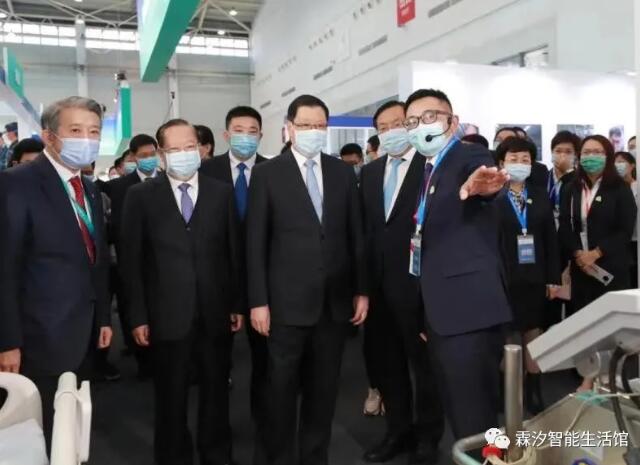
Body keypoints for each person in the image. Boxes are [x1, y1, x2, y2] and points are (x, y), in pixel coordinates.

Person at [247, 94, 368, 465]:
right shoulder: (267, 174)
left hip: (333, 305)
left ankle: (315, 457)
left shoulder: (342, 172)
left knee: (323, 393)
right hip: (284, 306)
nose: (313, 131)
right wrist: (258, 300)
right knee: (280, 391)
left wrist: (361, 290)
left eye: (319, 126)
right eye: (305, 125)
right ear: (289, 128)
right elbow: (255, 242)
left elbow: (356, 235)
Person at [121, 118, 242, 465]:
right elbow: (131, 263)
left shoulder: (221, 192)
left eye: (190, 146)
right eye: (174, 149)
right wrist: (137, 316)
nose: (184, 154)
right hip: (166, 316)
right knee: (170, 397)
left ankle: (217, 455)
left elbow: (232, 253)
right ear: (161, 154)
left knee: (216, 393)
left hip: (215, 313)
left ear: (201, 148)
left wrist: (236, 303)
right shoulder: (140, 196)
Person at [0, 96, 112, 452]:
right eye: (75, 130)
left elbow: (94, 260)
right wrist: (7, 341)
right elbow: (5, 267)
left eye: (94, 131)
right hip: (36, 338)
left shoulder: (88, 187)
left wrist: (103, 317)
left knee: (72, 428)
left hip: (83, 332)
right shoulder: (16, 184)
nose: (87, 139)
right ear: (49, 136)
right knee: (39, 433)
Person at [403, 88, 510, 442]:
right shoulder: (428, 169)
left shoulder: (467, 154)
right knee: (460, 416)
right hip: (441, 315)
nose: (421, 126)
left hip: (469, 313)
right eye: (412, 121)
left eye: (430, 116)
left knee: (476, 419)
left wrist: (484, 187)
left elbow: (484, 180)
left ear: (453, 121)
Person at [360, 100, 444, 464]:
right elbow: (365, 231)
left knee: (425, 368)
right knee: (388, 366)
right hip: (378, 290)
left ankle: (428, 438)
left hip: (418, 288)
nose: (391, 131)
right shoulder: (370, 172)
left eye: (398, 123)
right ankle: (397, 432)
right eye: (383, 127)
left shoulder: (431, 168)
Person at [199, 105, 269, 463]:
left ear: (261, 135)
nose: (245, 136)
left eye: (252, 130)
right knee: (214, 365)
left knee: (266, 362)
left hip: (264, 282)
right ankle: (216, 440)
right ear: (226, 134)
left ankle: (265, 428)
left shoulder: (274, 170)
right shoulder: (205, 171)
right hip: (217, 282)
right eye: (238, 130)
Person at [559, 135, 637, 391]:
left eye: (597, 152)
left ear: (608, 156)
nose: (591, 156)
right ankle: (588, 374)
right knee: (585, 321)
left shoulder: (619, 188)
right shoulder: (571, 187)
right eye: (586, 152)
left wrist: (597, 252)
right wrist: (578, 253)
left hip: (610, 267)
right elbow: (565, 226)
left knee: (609, 323)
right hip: (581, 267)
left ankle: (608, 377)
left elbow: (625, 230)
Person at [495, 137, 561, 414]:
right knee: (508, 337)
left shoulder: (539, 194)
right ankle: (510, 392)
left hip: (535, 278)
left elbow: (550, 240)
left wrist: (553, 279)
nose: (520, 164)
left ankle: (534, 391)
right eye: (513, 159)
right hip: (504, 278)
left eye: (525, 159)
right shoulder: (493, 195)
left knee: (534, 335)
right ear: (501, 162)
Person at [107, 134, 160, 378]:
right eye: (143, 156)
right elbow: (119, 227)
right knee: (136, 311)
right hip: (133, 259)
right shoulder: (120, 187)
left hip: (163, 262)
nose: (149, 159)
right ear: (134, 157)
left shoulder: (167, 180)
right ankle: (144, 363)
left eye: (152, 154)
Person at [615, 151, 638, 287]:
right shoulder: (614, 189)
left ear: (632, 165)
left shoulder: (637, 186)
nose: (617, 165)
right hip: (619, 241)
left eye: (621, 161)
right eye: (615, 162)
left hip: (636, 240)